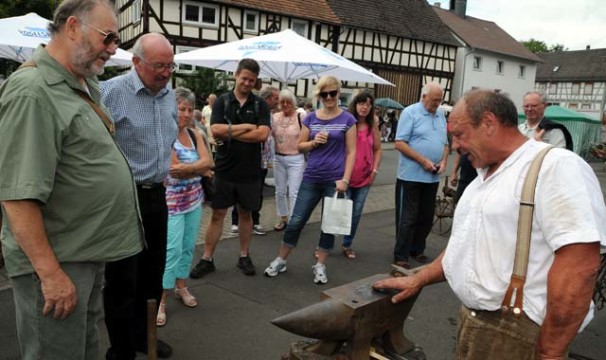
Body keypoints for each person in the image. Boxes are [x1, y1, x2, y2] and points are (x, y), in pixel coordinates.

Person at [374, 89, 606, 360]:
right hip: (477, 325)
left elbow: (579, 267)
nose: (456, 145)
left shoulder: (556, 166)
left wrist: (550, 353)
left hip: (518, 332)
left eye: (460, 134)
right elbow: (465, 245)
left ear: (488, 123)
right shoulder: (483, 177)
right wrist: (419, 279)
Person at [0, 1, 144, 358]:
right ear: (74, 27)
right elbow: (18, 197)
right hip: (56, 263)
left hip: (83, 254)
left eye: (116, 40)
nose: (114, 48)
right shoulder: (33, 91)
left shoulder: (80, 84)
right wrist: (50, 275)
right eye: (108, 37)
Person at [101, 33, 178, 359]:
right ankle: (120, 350)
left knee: (153, 272)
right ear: (136, 62)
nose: (166, 73)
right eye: (159, 66)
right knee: (122, 278)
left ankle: (141, 336)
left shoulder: (169, 93)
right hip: (123, 197)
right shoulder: (112, 92)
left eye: (170, 66)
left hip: (158, 195)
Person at [263, 75, 357, 284]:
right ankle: (281, 259)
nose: (329, 97)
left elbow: (352, 152)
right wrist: (314, 142)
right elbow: (300, 145)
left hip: (335, 181)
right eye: (325, 94)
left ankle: (320, 264)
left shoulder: (348, 120)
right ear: (320, 95)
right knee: (296, 220)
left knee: (329, 225)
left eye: (333, 93)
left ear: (338, 93)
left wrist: (346, 179)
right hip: (312, 177)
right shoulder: (311, 117)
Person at [190, 58, 271, 278]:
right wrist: (246, 127)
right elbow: (214, 130)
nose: (247, 83)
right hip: (224, 169)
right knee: (218, 214)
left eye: (251, 81)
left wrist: (230, 132)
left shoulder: (260, 104)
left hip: (250, 171)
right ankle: (207, 258)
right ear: (236, 75)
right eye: (244, 78)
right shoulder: (222, 102)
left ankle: (244, 256)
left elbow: (263, 134)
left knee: (246, 214)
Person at [156, 88, 213, 327]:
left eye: (190, 109)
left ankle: (181, 286)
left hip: (193, 201)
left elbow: (209, 162)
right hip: (172, 204)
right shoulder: (164, 134)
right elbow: (174, 169)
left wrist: (200, 167)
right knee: (171, 251)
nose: (187, 114)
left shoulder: (195, 134)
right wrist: (199, 168)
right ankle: (160, 299)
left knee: (188, 247)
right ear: (172, 108)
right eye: (182, 108)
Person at [394, 82, 448, 269]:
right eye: (434, 100)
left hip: (432, 177)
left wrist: (444, 161)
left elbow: (445, 143)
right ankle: (401, 254)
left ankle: (416, 249)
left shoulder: (441, 115)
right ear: (423, 97)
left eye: (440, 100)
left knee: (426, 216)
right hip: (411, 175)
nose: (437, 104)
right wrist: (423, 161)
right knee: (407, 217)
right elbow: (400, 143)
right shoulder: (410, 113)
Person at [229, 85, 279, 236]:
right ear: (268, 98)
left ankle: (255, 221)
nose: (278, 102)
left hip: (262, 160)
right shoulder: (254, 110)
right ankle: (235, 222)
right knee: (240, 190)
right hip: (248, 158)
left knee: (258, 192)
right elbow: (254, 133)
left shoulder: (271, 114)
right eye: (276, 99)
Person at [340, 92, 382, 259]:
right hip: (345, 176)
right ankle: (325, 244)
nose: (364, 107)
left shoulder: (372, 126)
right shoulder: (347, 123)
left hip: (365, 178)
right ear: (355, 105)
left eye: (368, 104)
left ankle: (347, 244)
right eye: (361, 103)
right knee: (338, 211)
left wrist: (375, 170)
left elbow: (378, 149)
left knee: (355, 213)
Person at [272, 89, 307, 231]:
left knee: (294, 192)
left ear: (293, 103)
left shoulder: (301, 115)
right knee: (279, 191)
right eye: (282, 102)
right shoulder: (275, 116)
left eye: (288, 102)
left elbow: (308, 134)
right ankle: (283, 218)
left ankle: (294, 221)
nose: (285, 105)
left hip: (296, 158)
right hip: (278, 157)